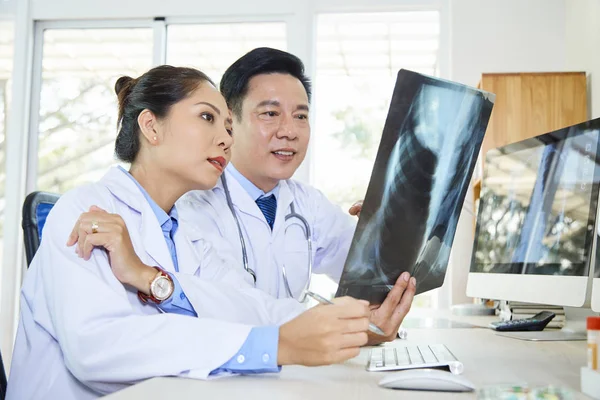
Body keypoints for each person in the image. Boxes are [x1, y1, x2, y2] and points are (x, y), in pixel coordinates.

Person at [6, 65, 373, 400]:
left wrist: (349, 326)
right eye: (207, 118)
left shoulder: (188, 235)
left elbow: (250, 305)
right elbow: (95, 350)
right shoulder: (85, 213)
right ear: (151, 126)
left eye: (228, 126)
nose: (226, 140)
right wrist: (275, 345)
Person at [176, 47, 416, 343]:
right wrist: (347, 326)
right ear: (229, 122)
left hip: (293, 375)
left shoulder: (308, 204)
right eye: (270, 113)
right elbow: (236, 309)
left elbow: (368, 274)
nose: (289, 131)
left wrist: (381, 235)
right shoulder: (193, 206)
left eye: (300, 116)